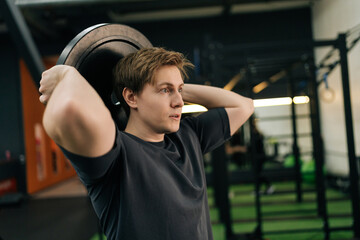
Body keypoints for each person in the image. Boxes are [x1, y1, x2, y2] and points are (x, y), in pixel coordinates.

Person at [39, 47, 254, 240]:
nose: (180, 102)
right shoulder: (116, 152)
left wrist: (173, 85)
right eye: (165, 91)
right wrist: (67, 74)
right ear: (131, 97)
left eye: (179, 90)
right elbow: (69, 110)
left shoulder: (189, 137)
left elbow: (243, 106)